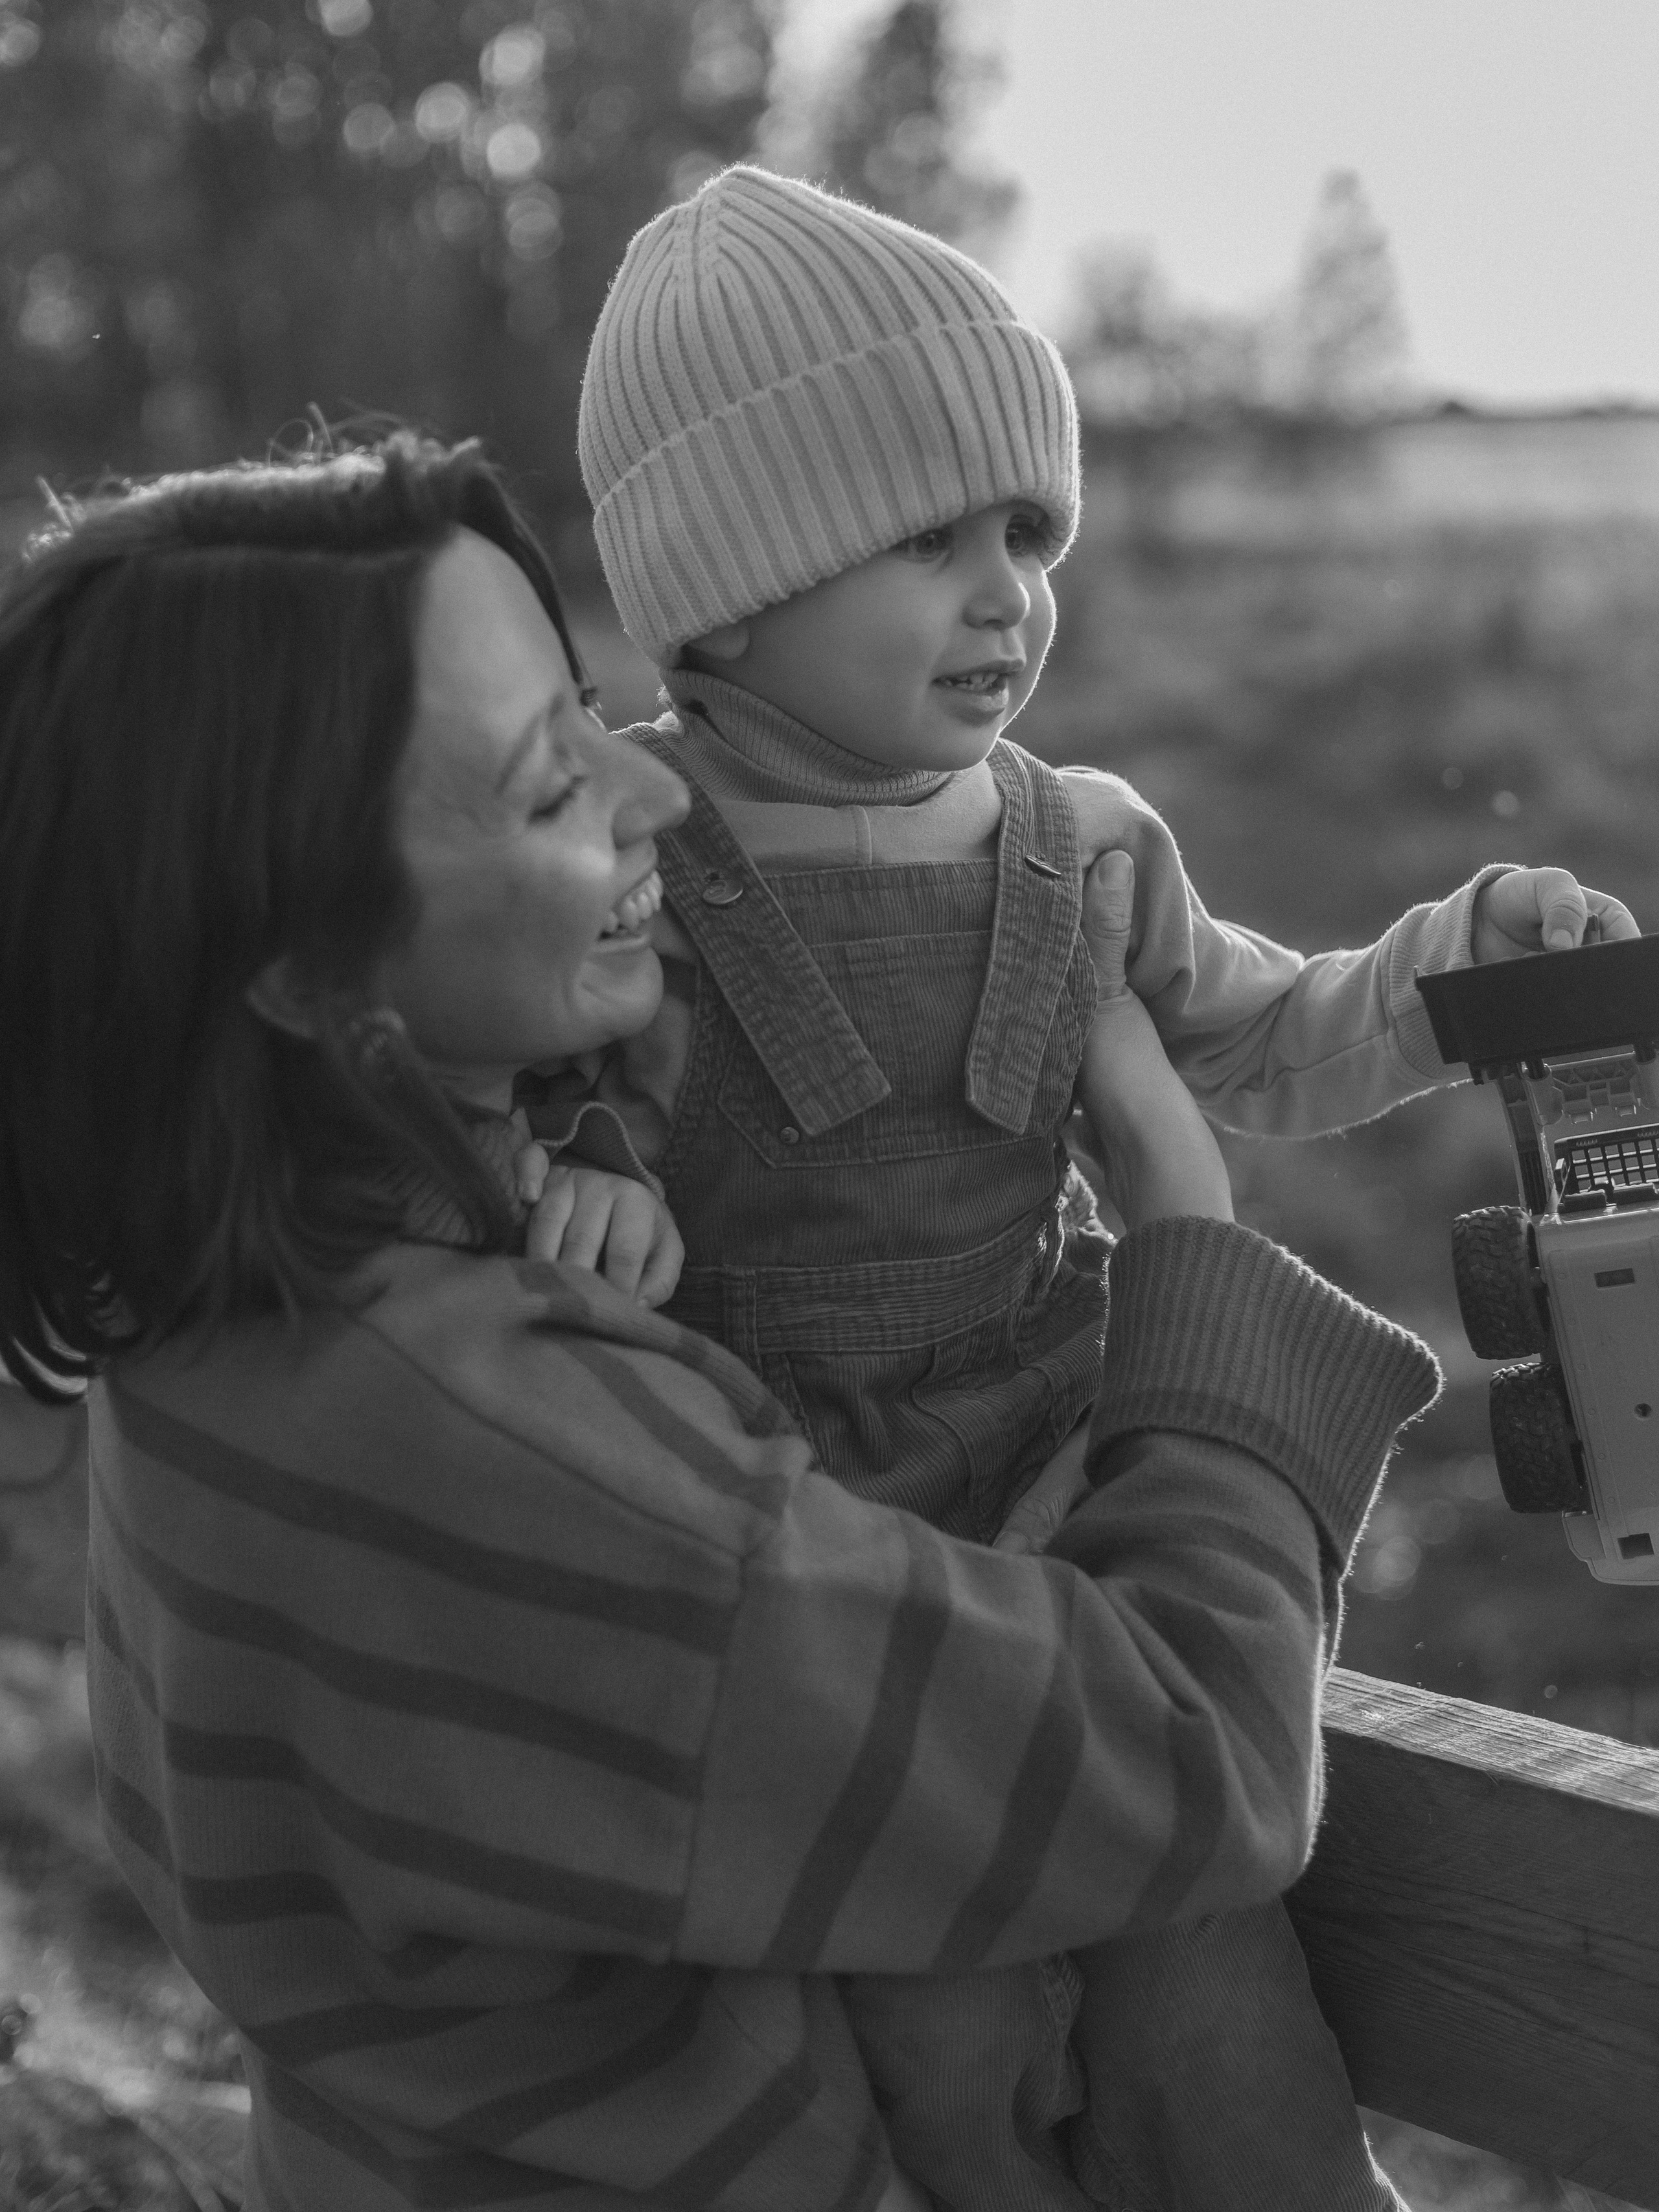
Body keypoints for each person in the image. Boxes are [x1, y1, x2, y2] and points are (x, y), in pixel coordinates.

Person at [0, 434, 1443, 2212]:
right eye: (550, 790)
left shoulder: (223, 1318)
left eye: (600, 715)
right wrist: (1183, 1222)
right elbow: (1194, 1758)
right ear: (301, 972)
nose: (659, 800)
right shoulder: (526, 1459)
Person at [556, 167, 1642, 2211]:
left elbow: (1269, 1037)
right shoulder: (627, 851)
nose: (1006, 597)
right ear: (728, 586)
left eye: (1025, 534)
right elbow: (535, 1066)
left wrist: (1435, 970)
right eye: (924, 541)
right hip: (811, 1553)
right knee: (939, 2038)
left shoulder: (1085, 844)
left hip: (1082, 1501)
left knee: (1213, 2009)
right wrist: (594, 1165)